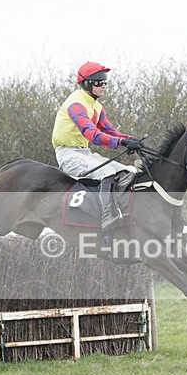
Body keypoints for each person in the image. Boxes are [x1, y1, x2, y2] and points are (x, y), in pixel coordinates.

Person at [52, 61, 143, 240]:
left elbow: (110, 131)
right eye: (100, 82)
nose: (104, 86)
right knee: (107, 172)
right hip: (68, 154)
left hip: (84, 153)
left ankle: (122, 212)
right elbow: (93, 135)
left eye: (105, 82)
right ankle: (108, 218)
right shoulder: (76, 104)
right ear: (87, 83)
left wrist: (129, 140)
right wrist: (121, 143)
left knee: (128, 171)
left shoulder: (96, 106)